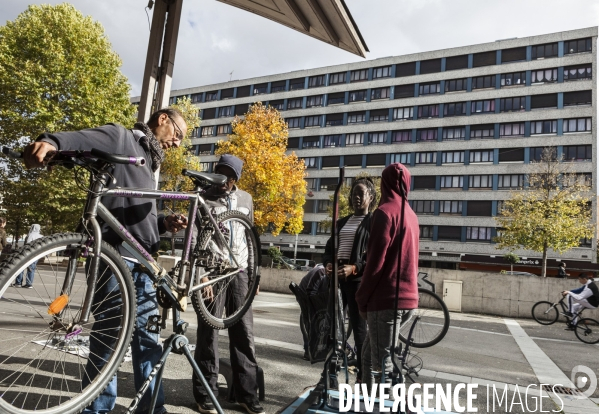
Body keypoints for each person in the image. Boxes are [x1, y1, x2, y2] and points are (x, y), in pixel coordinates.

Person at [23, 108, 188, 414]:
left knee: (147, 342)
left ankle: (152, 408)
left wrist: (164, 224)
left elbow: (139, 218)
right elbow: (82, 139)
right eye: (178, 134)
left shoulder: (148, 163)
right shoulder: (123, 138)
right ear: (162, 119)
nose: (177, 143)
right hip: (115, 260)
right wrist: (50, 142)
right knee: (109, 338)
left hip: (144, 265)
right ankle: (97, 408)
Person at [192, 154, 264, 414]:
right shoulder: (204, 198)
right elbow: (194, 237)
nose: (224, 180)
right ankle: (205, 394)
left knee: (244, 334)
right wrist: (200, 274)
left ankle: (247, 394)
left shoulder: (246, 200)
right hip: (212, 271)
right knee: (208, 335)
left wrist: (255, 275)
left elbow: (251, 236)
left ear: (236, 178)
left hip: (241, 272)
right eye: (221, 173)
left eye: (230, 176)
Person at [355, 163, 419, 388]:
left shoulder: (384, 213)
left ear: (383, 185)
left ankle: (381, 405)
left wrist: (361, 298)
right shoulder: (411, 215)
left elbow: (375, 264)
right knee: (368, 354)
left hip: (385, 301)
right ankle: (367, 398)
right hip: (408, 300)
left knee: (382, 364)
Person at [322, 177, 376, 383]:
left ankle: (363, 377)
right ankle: (332, 375)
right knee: (333, 328)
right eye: (354, 193)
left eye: (361, 193)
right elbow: (328, 249)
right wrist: (328, 263)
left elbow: (372, 256)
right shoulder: (341, 222)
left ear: (370, 197)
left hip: (357, 283)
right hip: (336, 281)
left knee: (360, 331)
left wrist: (354, 268)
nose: (356, 197)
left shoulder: (372, 223)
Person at [13, 224, 43, 288]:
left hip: (28, 254)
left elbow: (27, 245)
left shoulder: (30, 235)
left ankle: (18, 282)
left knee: (21, 267)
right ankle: (29, 284)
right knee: (31, 269)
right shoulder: (41, 236)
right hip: (36, 255)